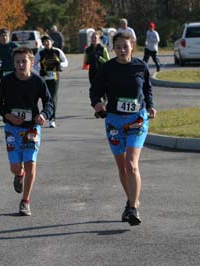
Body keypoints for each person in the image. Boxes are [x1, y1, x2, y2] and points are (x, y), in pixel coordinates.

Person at [89, 32, 157, 226]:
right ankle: (131, 200)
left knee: (131, 164)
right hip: (114, 121)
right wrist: (97, 104)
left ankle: (133, 208)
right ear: (113, 48)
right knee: (122, 167)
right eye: (118, 47)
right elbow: (95, 90)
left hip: (137, 119)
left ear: (132, 46)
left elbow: (147, 90)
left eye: (125, 46)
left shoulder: (140, 66)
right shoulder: (107, 68)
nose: (121, 50)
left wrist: (150, 105)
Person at [0, 47, 54, 216]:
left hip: (31, 128)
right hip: (12, 128)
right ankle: (18, 174)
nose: (20, 65)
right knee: (16, 167)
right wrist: (8, 115)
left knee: (30, 163)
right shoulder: (7, 81)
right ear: (14, 64)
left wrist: (44, 114)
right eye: (17, 62)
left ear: (31, 62)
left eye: (24, 61)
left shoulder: (38, 81)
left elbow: (49, 102)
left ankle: (25, 201)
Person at [34, 35, 68, 128]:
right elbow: (34, 64)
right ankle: (45, 116)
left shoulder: (57, 51)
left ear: (52, 42)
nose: (46, 43)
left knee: (53, 98)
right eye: (44, 42)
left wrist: (60, 65)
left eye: (47, 41)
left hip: (55, 78)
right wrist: (40, 70)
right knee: (45, 98)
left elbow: (66, 62)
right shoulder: (40, 53)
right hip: (44, 79)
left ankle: (52, 119)